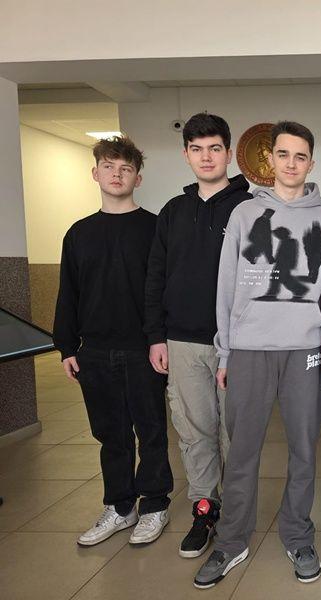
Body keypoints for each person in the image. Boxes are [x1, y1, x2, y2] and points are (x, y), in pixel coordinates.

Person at [194, 121, 321, 589]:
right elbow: (225, 287)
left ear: (311, 163)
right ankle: (231, 541)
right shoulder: (243, 214)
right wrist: (225, 354)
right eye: (283, 154)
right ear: (270, 159)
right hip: (249, 350)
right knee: (242, 452)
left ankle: (298, 536)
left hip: (305, 350)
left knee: (304, 450)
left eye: (300, 156)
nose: (291, 163)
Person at [54, 136, 173, 547]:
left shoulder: (155, 228)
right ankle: (121, 507)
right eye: (109, 166)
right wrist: (67, 346)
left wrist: (160, 339)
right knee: (111, 434)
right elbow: (68, 293)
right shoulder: (79, 234)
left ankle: (154, 505)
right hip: (95, 351)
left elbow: (164, 290)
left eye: (125, 168)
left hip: (143, 349)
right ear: (95, 173)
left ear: (138, 178)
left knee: (151, 431)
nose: (117, 174)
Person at [144, 112, 252, 558]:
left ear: (229, 152)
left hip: (238, 344)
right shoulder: (173, 211)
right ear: (186, 154)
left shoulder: (250, 208)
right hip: (183, 341)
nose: (206, 157)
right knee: (194, 431)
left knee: (236, 434)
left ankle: (237, 517)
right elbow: (155, 277)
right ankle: (205, 509)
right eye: (196, 149)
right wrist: (156, 336)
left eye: (214, 148)